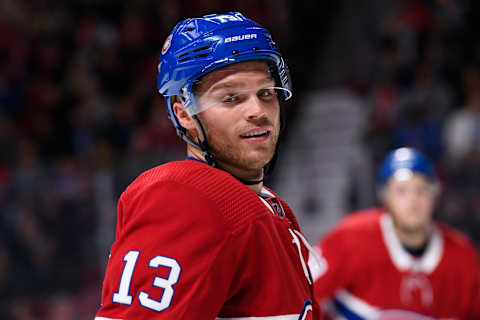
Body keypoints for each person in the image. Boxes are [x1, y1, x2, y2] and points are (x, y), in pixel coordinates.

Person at [95, 12, 320, 320]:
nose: (258, 110)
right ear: (184, 114)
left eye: (266, 93)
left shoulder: (268, 205)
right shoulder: (188, 198)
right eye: (230, 98)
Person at [308, 147, 480, 319]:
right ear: (385, 197)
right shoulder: (350, 239)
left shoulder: (463, 258)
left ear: (434, 195)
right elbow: (296, 293)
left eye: (421, 190)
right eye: (401, 191)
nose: (413, 201)